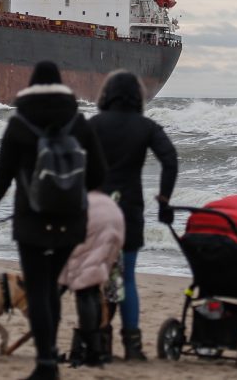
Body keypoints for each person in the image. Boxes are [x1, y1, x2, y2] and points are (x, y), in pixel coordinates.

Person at [0, 61, 107, 380]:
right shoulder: (78, 122)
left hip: (31, 222)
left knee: (37, 290)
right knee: (52, 287)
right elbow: (99, 174)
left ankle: (46, 363)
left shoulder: (19, 123)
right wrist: (72, 197)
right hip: (70, 222)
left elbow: (1, 177)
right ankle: (50, 360)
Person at [89, 70, 178, 361]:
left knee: (99, 277)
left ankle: (100, 342)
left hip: (98, 211)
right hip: (130, 210)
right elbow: (170, 160)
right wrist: (164, 200)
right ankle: (133, 346)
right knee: (126, 278)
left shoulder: (94, 125)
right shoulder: (146, 126)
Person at [58, 191, 125, 367]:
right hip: (108, 227)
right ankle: (97, 348)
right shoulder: (111, 201)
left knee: (84, 292)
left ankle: (87, 348)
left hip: (85, 225)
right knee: (100, 294)